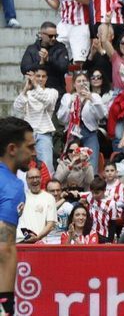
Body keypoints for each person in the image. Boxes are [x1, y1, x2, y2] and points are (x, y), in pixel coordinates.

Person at [0, 117, 34, 315]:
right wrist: (5, 304)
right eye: (30, 147)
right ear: (12, 149)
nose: (34, 153)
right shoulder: (13, 187)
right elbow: (4, 249)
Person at [13, 67, 58, 175]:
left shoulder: (52, 92)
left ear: (47, 78)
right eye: (38, 76)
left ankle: (48, 189)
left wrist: (35, 85)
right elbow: (17, 108)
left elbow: (47, 100)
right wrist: (25, 90)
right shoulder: (27, 93)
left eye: (43, 76)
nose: (40, 79)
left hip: (44, 133)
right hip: (28, 134)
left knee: (47, 166)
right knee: (25, 165)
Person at [20, 22, 70, 96]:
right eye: (50, 36)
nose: (53, 38)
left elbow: (64, 68)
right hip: (35, 92)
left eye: (55, 36)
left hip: (56, 91)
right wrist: (40, 63)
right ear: (42, 35)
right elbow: (24, 69)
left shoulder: (61, 48)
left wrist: (48, 59)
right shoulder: (32, 49)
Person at [15, 167, 56, 243]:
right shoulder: (20, 196)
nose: (35, 180)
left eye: (37, 177)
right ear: (26, 180)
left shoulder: (49, 198)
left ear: (41, 178)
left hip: (38, 243)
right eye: (31, 178)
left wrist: (37, 237)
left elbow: (50, 224)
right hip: (19, 241)